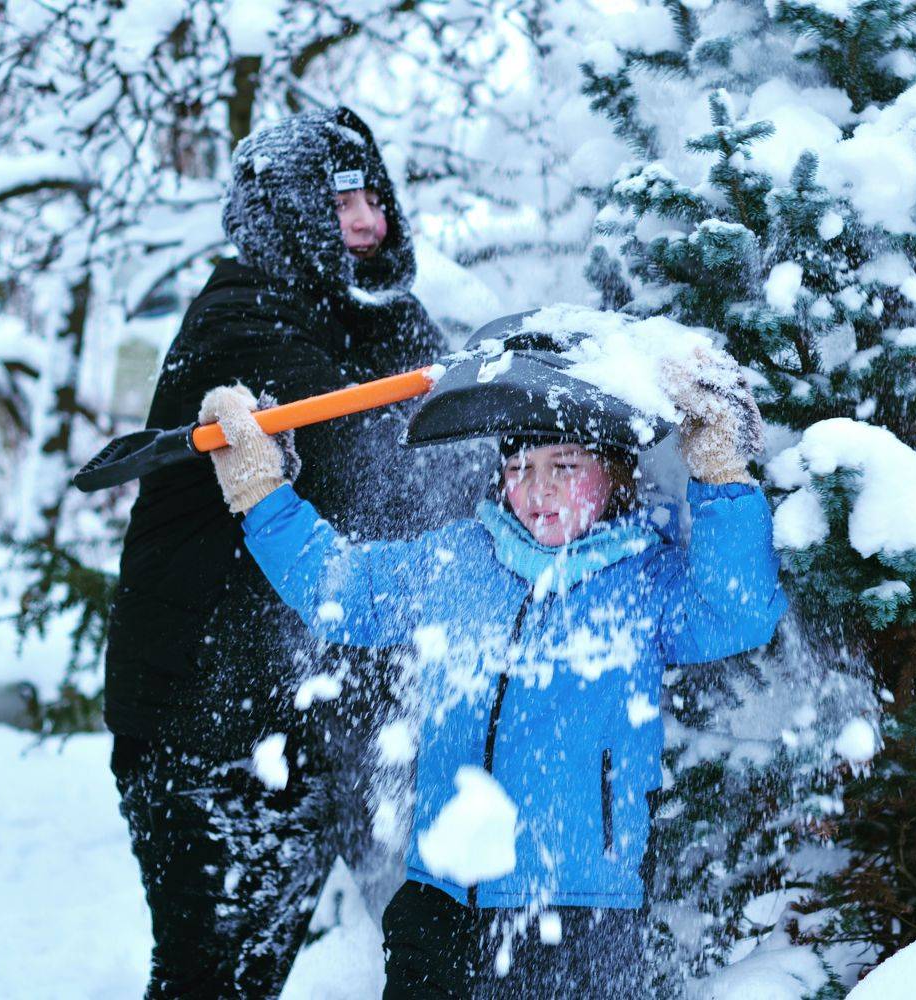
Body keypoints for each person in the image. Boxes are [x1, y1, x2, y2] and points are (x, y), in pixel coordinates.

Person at [196, 337, 787, 997]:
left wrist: (719, 468)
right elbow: (342, 594)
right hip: (442, 897)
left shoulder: (644, 580)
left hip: (578, 909)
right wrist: (261, 491)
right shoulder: (458, 560)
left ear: (616, 472)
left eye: (565, 464)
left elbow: (738, 612)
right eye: (519, 466)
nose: (538, 488)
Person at [103, 107, 464, 998]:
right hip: (208, 728)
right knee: (213, 980)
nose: (370, 222)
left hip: (314, 714)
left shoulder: (366, 317)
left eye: (376, 198)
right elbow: (375, 457)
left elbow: (447, 420)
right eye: (340, 203)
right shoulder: (238, 322)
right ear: (287, 215)